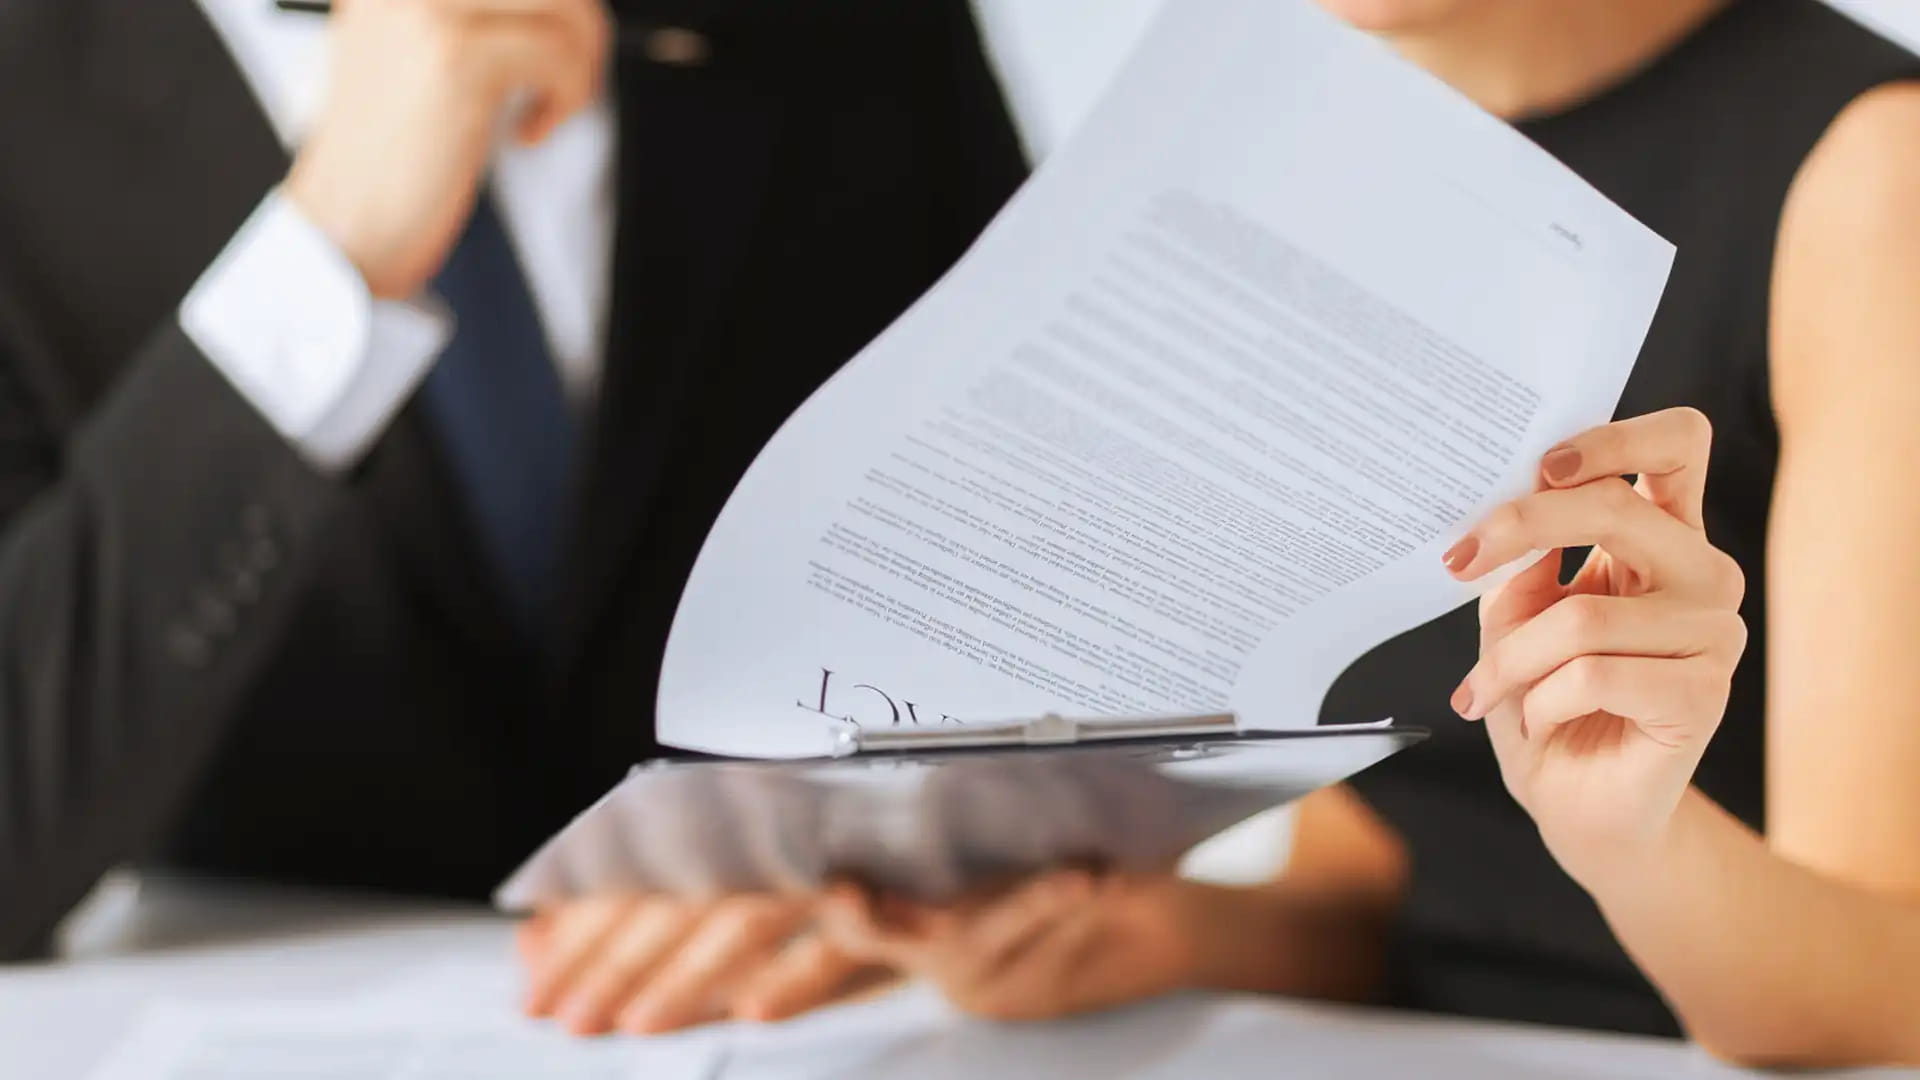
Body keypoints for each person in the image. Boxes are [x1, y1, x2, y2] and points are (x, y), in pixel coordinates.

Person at [524, 0, 1920, 1065]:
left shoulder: (1869, 176)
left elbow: (1878, 988)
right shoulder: (1334, 130)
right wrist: (1160, 934)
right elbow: (1408, 870)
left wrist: (1632, 841)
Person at [0, 0, 1024, 995]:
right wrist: (329, 256)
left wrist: (924, 878)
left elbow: (1038, 586)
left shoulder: (860, 25)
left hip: (836, 1015)